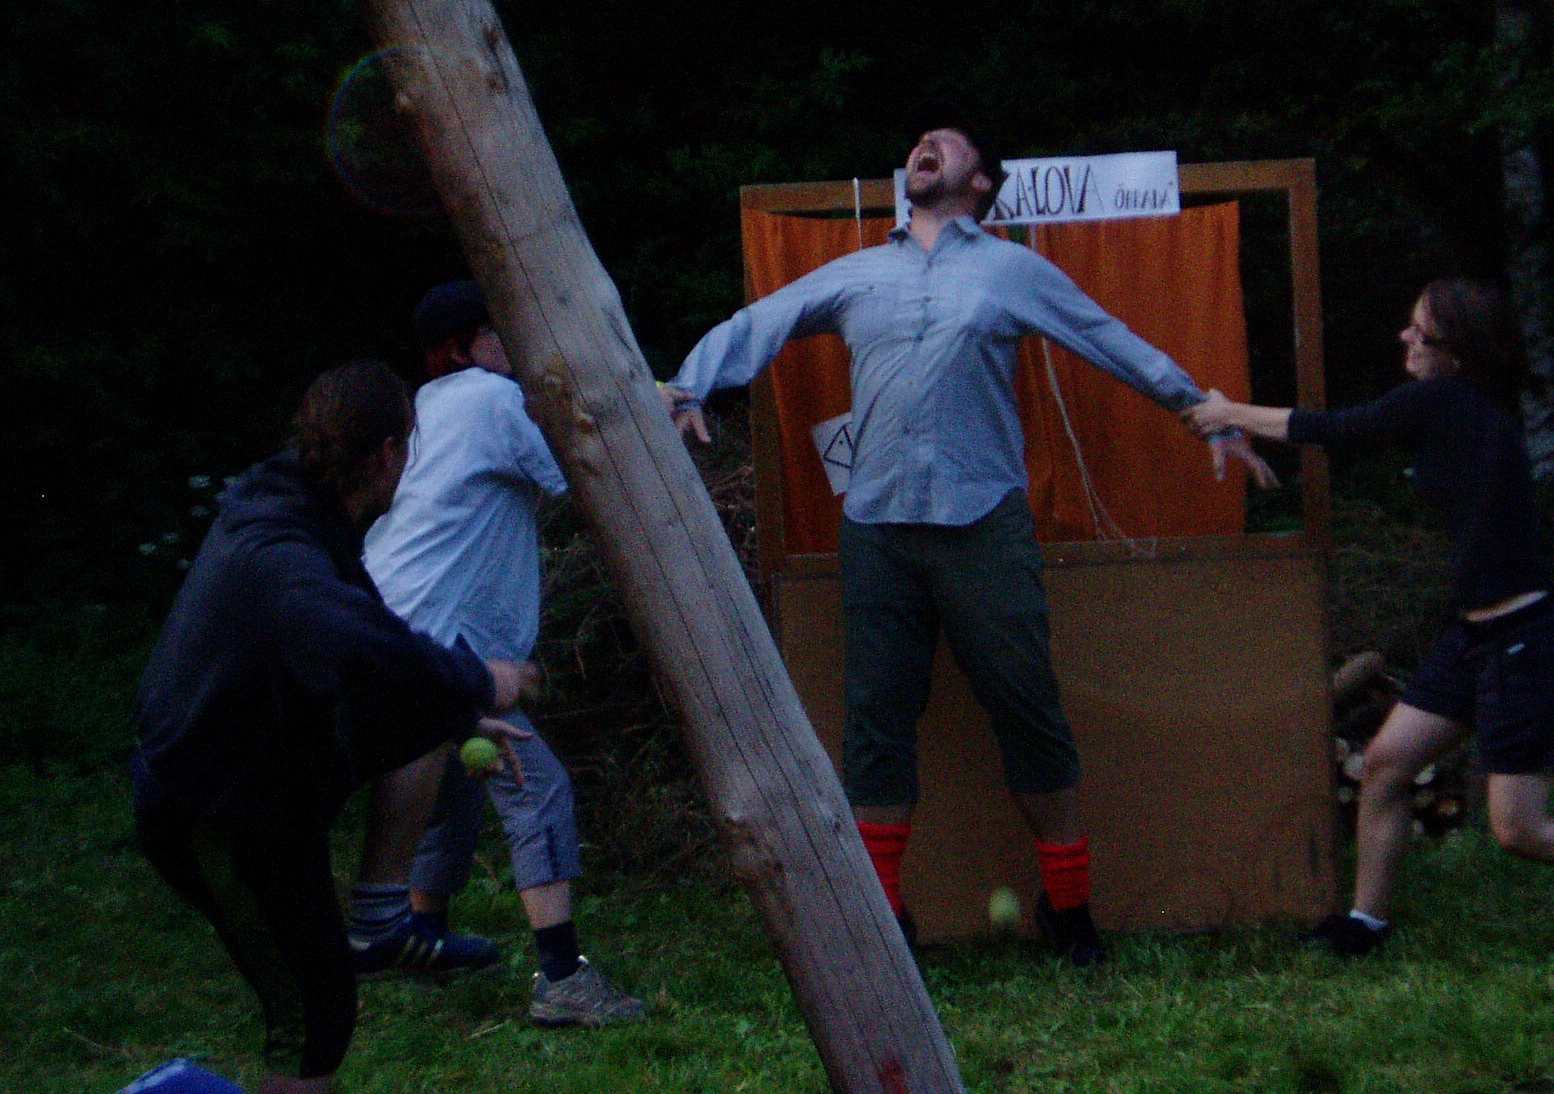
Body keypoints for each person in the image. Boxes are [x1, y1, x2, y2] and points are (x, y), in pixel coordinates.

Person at [664, 116, 1274, 966]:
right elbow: (761, 321)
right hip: (877, 530)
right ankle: (886, 927)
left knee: (1029, 711)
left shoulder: (1011, 270)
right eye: (918, 140)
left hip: (984, 524)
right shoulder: (859, 272)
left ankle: (1069, 912)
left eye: (945, 143)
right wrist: (690, 384)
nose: (924, 144)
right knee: (877, 723)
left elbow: (1107, 337)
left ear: (980, 181)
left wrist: (1197, 407)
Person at [1186, 278, 1554, 955]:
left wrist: (1228, 412)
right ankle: (1366, 925)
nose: (1406, 337)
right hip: (1476, 635)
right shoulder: (1453, 410)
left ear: (1455, 349)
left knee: (1518, 828)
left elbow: (1336, 430)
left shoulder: (1445, 401)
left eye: (1420, 330)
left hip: (1527, 641)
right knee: (1386, 765)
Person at [133, 360, 534, 1094]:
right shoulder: (278, 548)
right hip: (211, 807)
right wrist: (480, 679)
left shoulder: (309, 514)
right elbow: (351, 641)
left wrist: (457, 711)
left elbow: (373, 645)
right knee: (312, 1011)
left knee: (321, 1006)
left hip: (264, 783)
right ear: (387, 453)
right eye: (410, 446)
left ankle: (380, 921)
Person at [345, 282, 645, 1026]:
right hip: (440, 637)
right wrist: (645, 416)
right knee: (535, 786)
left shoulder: (426, 408)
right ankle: (561, 977)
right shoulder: (490, 399)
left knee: (449, 786)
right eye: (496, 329)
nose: (512, 339)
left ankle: (421, 938)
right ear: (462, 347)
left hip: (387, 627)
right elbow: (583, 473)